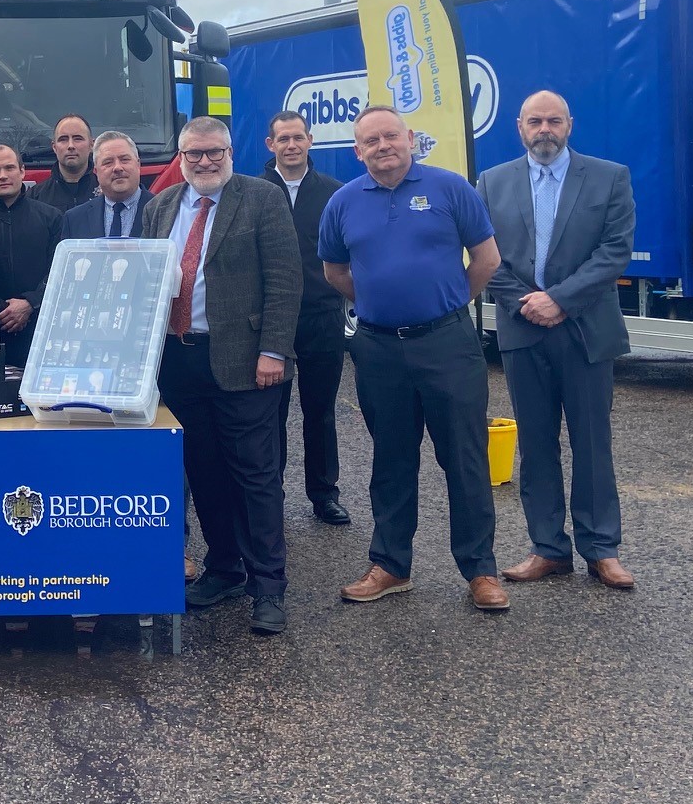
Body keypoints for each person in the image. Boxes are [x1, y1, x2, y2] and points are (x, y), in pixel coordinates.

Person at [319, 105, 508, 613]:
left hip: (447, 343)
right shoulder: (342, 202)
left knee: (464, 458)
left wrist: (446, 304)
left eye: (391, 136)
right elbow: (335, 270)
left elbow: (487, 259)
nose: (383, 146)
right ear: (357, 151)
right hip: (378, 348)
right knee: (392, 459)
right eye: (371, 141)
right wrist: (379, 304)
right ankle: (391, 565)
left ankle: (481, 571)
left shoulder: (451, 189)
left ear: (409, 139)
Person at [143, 116, 302, 636]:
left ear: (231, 152)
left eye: (214, 152)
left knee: (255, 477)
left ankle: (268, 586)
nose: (205, 162)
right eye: (194, 155)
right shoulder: (160, 207)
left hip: (246, 361)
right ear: (181, 159)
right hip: (179, 361)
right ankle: (226, 568)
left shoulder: (261, 198)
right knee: (204, 471)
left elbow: (284, 281)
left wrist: (274, 350)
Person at [478, 90, 637, 590]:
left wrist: (560, 299)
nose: (544, 130)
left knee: (593, 444)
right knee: (538, 444)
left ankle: (600, 549)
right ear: (519, 127)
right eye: (534, 122)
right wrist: (527, 302)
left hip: (587, 329)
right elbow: (484, 256)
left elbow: (614, 253)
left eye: (553, 121)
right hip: (523, 329)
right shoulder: (493, 182)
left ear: (570, 124)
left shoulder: (610, 177)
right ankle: (548, 548)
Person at [263, 110, 350, 526]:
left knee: (320, 411)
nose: (291, 145)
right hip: (270, 321)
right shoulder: (253, 192)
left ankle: (324, 494)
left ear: (310, 141)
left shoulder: (335, 193)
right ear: (271, 145)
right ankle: (269, 492)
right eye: (283, 139)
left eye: (298, 138)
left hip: (321, 317)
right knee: (269, 412)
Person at [0, 141, 62, 367]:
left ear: (22, 171)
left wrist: (30, 303)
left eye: (10, 168)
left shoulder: (51, 218)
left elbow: (60, 271)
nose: (3, 175)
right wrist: (1, 309)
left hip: (40, 330)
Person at [60, 131, 151, 240]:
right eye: (108, 162)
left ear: (138, 165)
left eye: (124, 160)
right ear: (96, 171)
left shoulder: (163, 212)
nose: (117, 167)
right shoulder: (74, 219)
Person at [27, 113, 99, 210]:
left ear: (91, 145)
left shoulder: (108, 193)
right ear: (54, 147)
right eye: (63, 139)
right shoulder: (34, 198)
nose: (71, 146)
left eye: (78, 139)